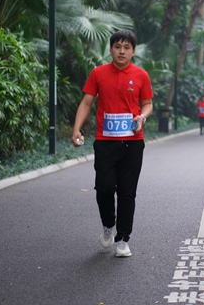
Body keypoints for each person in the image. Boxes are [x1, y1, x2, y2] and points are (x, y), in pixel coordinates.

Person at [71, 30, 153, 258]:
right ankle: (108, 224)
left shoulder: (141, 75)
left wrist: (142, 117)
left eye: (126, 48)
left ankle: (123, 239)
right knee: (104, 188)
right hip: (105, 143)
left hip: (132, 143)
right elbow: (86, 103)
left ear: (133, 51)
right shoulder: (98, 73)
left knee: (127, 193)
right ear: (110, 50)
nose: (122, 51)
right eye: (118, 47)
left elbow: (147, 103)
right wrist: (76, 129)